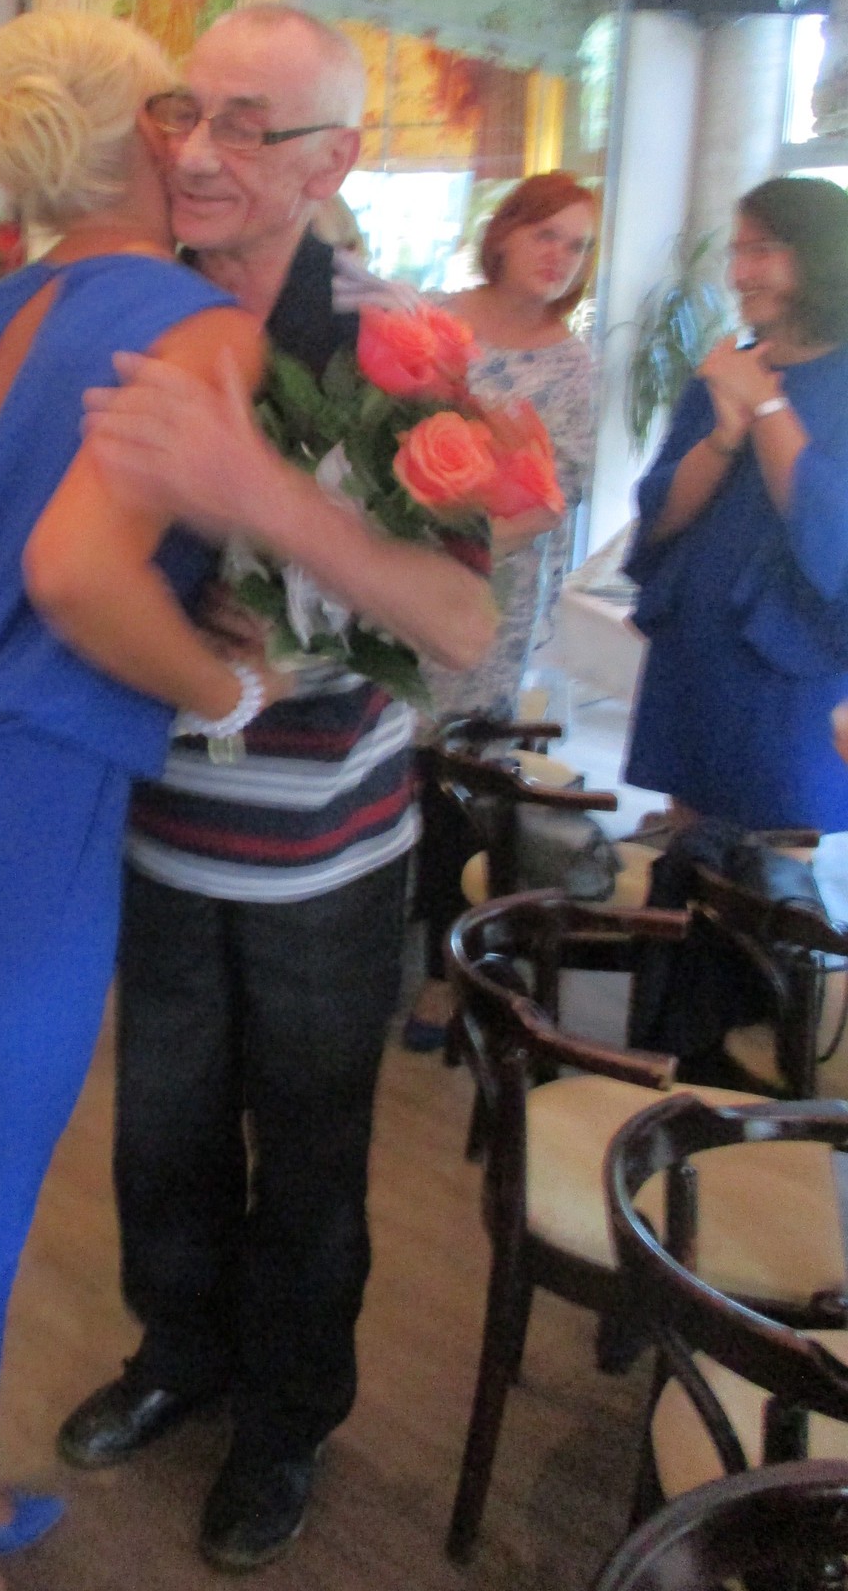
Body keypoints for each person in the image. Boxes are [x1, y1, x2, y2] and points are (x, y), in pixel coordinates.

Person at [0, 9, 277, 1591]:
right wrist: (220, 689)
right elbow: (75, 575)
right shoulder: (199, 324)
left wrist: (180, 610)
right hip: (13, 812)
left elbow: (27, 534)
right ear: (150, 127)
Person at [61, 5, 495, 1572]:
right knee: (163, 1134)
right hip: (157, 825)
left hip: (328, 848)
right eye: (185, 112)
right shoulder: (125, 304)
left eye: (246, 125)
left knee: (308, 1159)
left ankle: (289, 1420)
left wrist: (265, 505)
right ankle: (178, 1355)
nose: (195, 151)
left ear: (337, 160)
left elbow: (463, 626)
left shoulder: (399, 346)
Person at [336, 172, 600, 1047]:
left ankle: (445, 977)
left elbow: (555, 492)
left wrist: (462, 550)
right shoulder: (435, 322)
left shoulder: (571, 363)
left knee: (454, 780)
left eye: (577, 245)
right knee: (378, 764)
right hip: (392, 571)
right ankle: (364, 956)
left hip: (489, 588)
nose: (559, 257)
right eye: (546, 235)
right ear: (505, 233)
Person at [624, 175, 848, 833]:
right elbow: (659, 517)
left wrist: (767, 405)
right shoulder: (725, 370)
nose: (738, 274)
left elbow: (831, 534)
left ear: (821, 255)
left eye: (761, 251)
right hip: (697, 656)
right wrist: (724, 435)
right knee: (687, 861)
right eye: (736, 253)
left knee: (770, 875)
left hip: (790, 673)